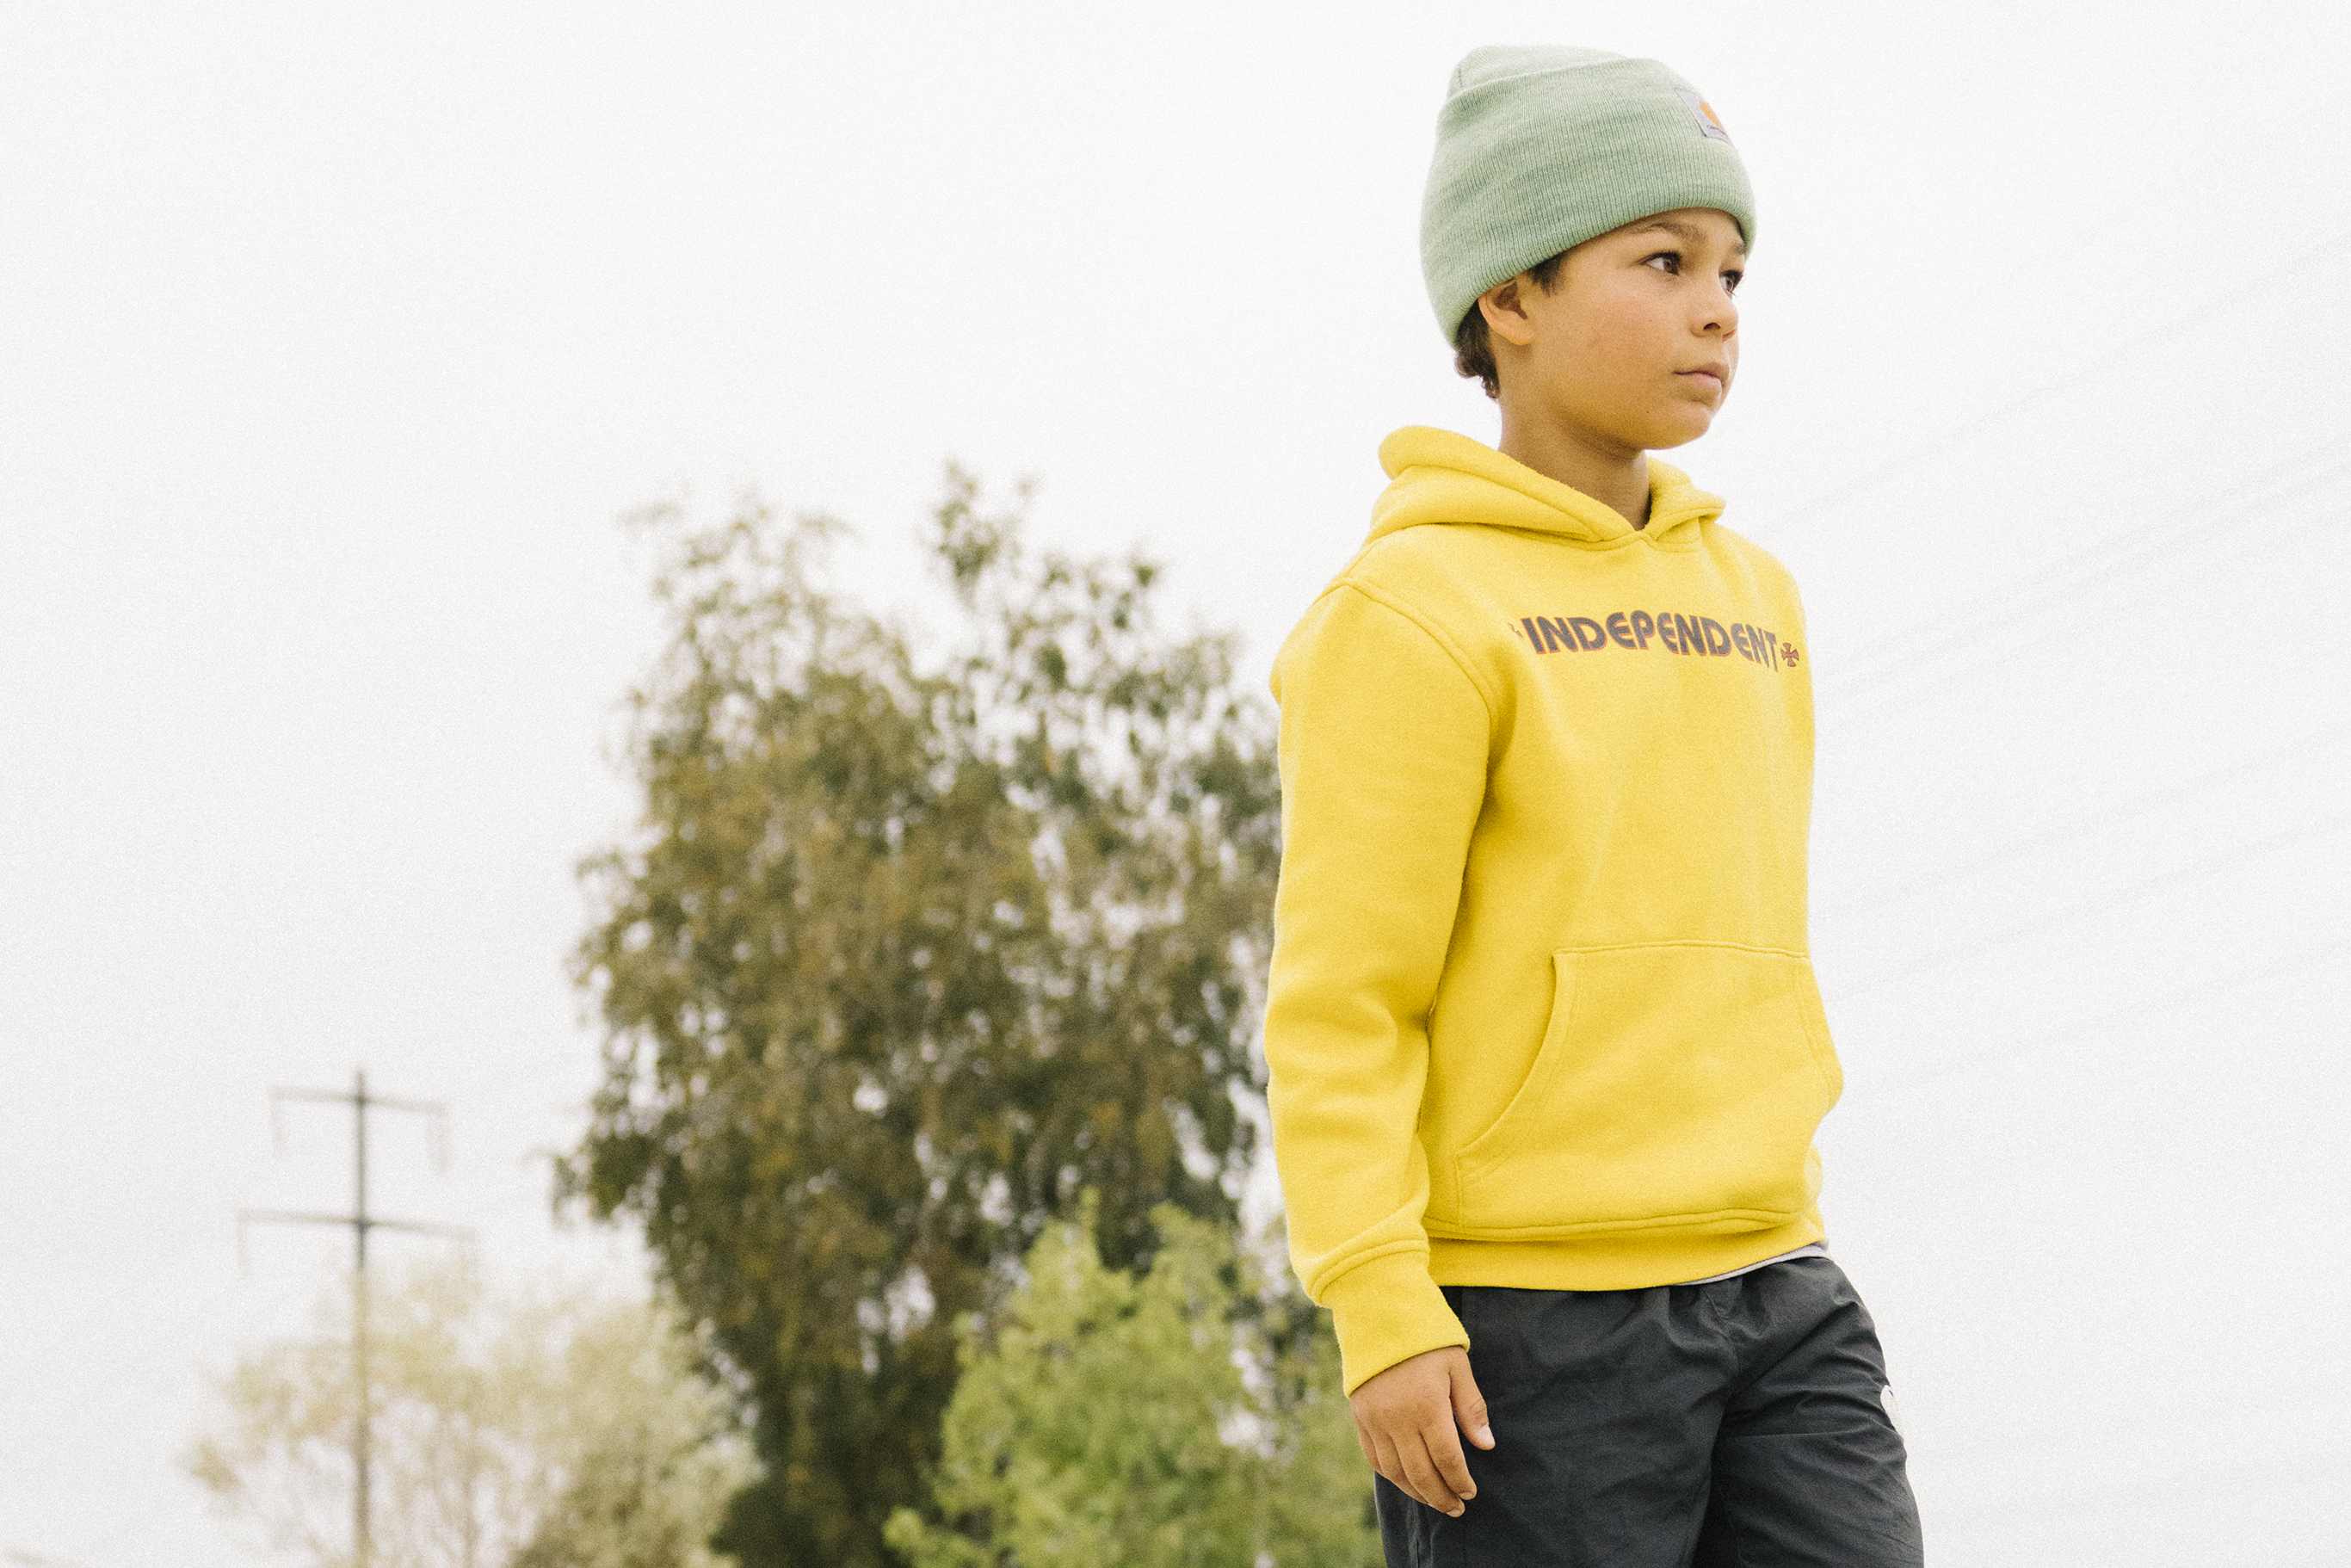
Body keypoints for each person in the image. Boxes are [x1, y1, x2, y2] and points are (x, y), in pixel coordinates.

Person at [1262, 46, 1924, 1566]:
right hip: (1526, 1326)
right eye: (1664, 260)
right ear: (1511, 295)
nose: (1717, 310)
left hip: (1779, 1277)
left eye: (1735, 272)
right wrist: (1379, 1299)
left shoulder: (1759, 598)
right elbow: (1342, 1001)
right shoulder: (1412, 610)